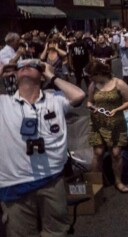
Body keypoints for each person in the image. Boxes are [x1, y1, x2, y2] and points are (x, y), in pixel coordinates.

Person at [0, 59, 85, 236]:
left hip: (51, 180)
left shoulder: (55, 99)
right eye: (20, 66)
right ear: (14, 74)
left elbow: (79, 95)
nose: (25, 66)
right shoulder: (4, 103)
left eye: (32, 65)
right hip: (15, 185)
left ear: (41, 75)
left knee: (56, 231)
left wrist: (52, 75)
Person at [86, 61, 128, 193]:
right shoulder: (93, 86)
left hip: (116, 123)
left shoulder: (118, 83)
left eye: (92, 76)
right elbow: (89, 101)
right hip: (98, 123)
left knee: (116, 153)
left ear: (99, 73)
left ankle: (118, 181)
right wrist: (91, 106)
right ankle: (95, 183)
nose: (90, 79)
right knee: (98, 153)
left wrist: (117, 109)